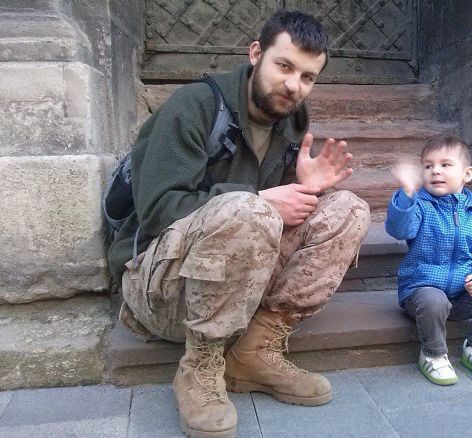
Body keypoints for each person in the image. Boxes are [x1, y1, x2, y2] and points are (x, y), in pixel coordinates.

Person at [106, 11, 370, 438]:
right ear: (255, 54)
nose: (293, 85)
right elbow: (157, 210)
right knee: (251, 209)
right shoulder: (194, 107)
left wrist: (303, 187)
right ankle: (201, 364)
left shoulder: (291, 119)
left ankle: (254, 351)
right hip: (161, 289)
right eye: (283, 66)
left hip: (237, 289)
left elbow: (274, 217)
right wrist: (259, 200)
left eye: (307, 77)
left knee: (350, 210)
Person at [384, 135, 472, 386]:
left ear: (467, 174)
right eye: (428, 166)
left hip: (461, 296)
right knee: (433, 300)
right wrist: (406, 194)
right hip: (421, 292)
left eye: (445, 165)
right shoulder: (420, 207)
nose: (435, 171)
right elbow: (399, 229)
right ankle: (433, 354)